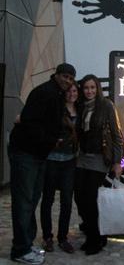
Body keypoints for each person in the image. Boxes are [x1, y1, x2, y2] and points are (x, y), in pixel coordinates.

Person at [8, 63, 76, 265]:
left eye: (71, 78)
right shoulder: (45, 93)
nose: (67, 81)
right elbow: (29, 123)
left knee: (31, 200)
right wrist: (51, 141)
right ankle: (20, 250)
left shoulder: (55, 95)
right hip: (26, 154)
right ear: (56, 75)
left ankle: (26, 245)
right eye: (64, 76)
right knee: (23, 202)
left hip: (36, 155)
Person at [74, 74, 124, 256]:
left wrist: (118, 161)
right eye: (86, 88)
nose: (89, 91)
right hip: (82, 157)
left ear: (98, 89)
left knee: (90, 199)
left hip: (98, 158)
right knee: (79, 197)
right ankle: (95, 234)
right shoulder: (80, 106)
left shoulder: (106, 106)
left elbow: (117, 135)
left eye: (93, 87)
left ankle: (95, 239)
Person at [40, 82, 79, 254]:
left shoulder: (80, 109)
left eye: (75, 90)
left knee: (66, 201)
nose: (72, 93)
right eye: (69, 90)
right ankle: (47, 237)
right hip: (52, 159)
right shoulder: (57, 109)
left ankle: (62, 238)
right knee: (48, 199)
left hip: (70, 161)